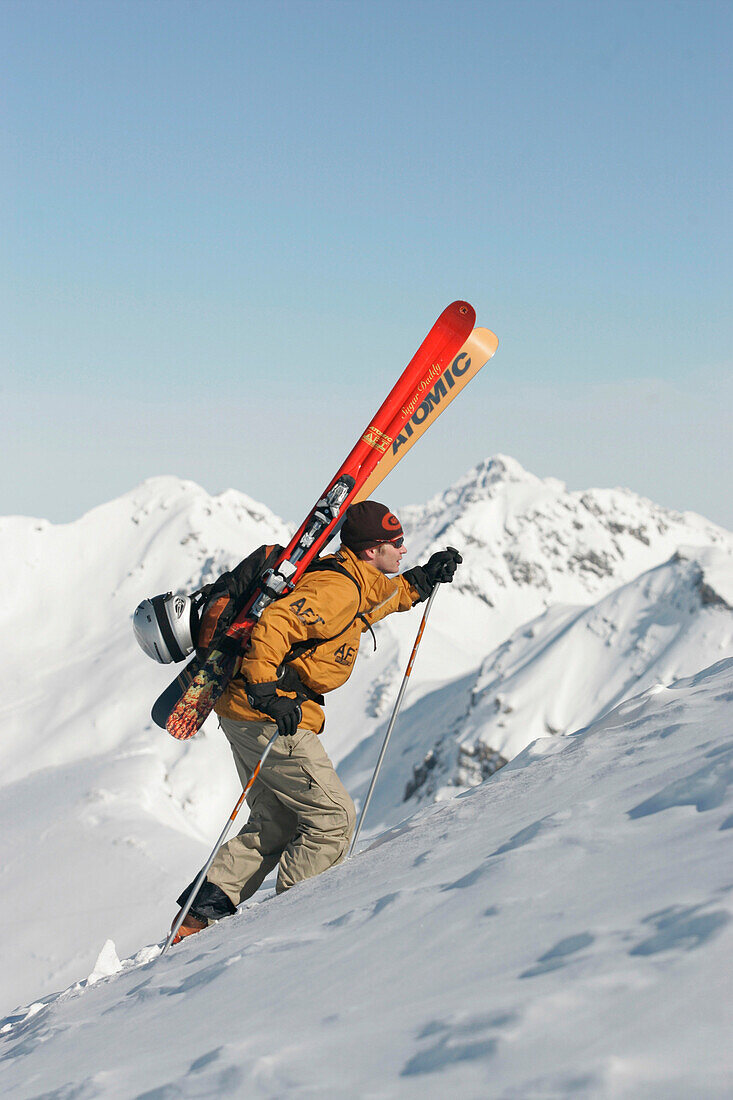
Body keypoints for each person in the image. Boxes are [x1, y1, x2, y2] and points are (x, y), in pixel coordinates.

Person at [172, 500, 461, 941]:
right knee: (334, 820)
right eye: (395, 543)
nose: (403, 549)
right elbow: (276, 624)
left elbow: (378, 602)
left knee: (278, 820)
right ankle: (292, 928)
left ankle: (196, 918)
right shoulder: (338, 588)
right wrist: (266, 690)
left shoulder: (356, 580)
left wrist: (423, 579)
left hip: (242, 710)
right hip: (269, 715)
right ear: (370, 551)